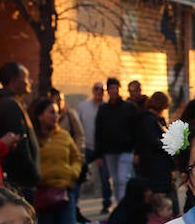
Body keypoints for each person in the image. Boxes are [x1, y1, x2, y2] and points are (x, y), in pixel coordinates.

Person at [31, 96, 89, 224]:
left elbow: (76, 157)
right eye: (51, 112)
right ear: (40, 116)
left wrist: (72, 174)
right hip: (43, 192)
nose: (56, 116)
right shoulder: (33, 138)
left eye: (57, 112)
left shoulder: (63, 135)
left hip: (65, 191)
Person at [0, 61, 41, 202]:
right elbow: (19, 144)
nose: (30, 81)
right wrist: (32, 174)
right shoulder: (9, 105)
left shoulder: (12, 102)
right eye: (26, 77)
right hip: (20, 182)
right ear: (14, 81)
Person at [94, 77, 138, 205]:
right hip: (109, 151)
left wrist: (136, 150)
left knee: (122, 179)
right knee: (115, 180)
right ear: (108, 91)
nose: (113, 91)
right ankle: (120, 203)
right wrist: (98, 154)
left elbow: (136, 129)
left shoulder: (129, 107)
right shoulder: (103, 109)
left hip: (126, 149)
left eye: (115, 88)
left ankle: (124, 204)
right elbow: (99, 132)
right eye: (111, 88)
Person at [136, 91, 178, 214]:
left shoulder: (157, 119)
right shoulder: (148, 119)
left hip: (161, 166)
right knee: (161, 201)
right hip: (155, 167)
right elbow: (153, 141)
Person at [76, 81, 111, 213]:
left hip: (102, 149)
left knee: (104, 178)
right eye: (96, 89)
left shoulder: (107, 107)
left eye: (102, 89)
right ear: (92, 90)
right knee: (79, 174)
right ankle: (76, 205)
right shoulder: (83, 106)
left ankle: (106, 205)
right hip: (87, 147)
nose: (99, 92)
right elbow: (78, 126)